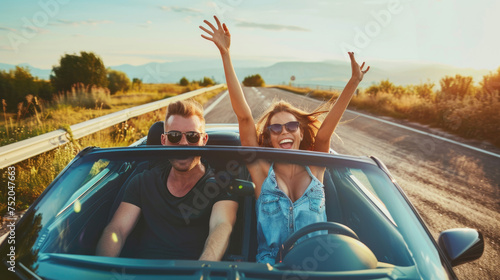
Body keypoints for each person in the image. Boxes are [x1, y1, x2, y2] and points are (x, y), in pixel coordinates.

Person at [200, 16, 369, 264]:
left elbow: (324, 135)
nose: (284, 132)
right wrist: (226, 54)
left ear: (300, 132)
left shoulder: (315, 168)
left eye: (291, 126)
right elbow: (245, 119)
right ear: (268, 137)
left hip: (317, 269)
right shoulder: (261, 173)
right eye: (276, 128)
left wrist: (353, 82)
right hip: (270, 271)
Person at [96, 100, 239, 261]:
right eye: (174, 136)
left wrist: (202, 271)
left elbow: (221, 226)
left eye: (192, 137)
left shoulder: (221, 185)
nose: (183, 144)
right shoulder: (143, 181)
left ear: (203, 140)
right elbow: (117, 230)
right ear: (163, 141)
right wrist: (102, 270)